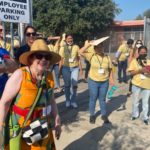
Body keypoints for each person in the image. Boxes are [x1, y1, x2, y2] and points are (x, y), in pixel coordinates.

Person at [0, 39, 61, 149]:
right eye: (39, 56)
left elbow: (52, 100)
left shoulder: (49, 76)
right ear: (31, 58)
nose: (43, 59)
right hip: (21, 129)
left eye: (47, 57)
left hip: (41, 127)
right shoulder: (20, 75)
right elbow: (4, 102)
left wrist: (57, 121)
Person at [79, 36, 114, 124]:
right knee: (93, 98)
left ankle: (104, 115)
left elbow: (110, 69)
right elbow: (80, 51)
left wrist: (111, 79)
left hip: (104, 82)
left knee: (102, 99)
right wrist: (89, 44)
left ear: (103, 47)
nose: (99, 49)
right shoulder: (91, 56)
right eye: (97, 47)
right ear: (94, 49)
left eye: (100, 47)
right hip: (93, 81)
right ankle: (92, 115)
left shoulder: (107, 57)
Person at [128, 45, 150, 125]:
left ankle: (145, 117)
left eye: (144, 52)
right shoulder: (134, 61)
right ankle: (135, 114)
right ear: (138, 52)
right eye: (141, 52)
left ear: (146, 53)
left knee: (145, 102)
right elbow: (131, 73)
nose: (143, 53)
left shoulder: (149, 61)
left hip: (147, 85)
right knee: (135, 101)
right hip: (136, 84)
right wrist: (140, 70)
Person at [59, 34, 83, 108]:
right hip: (65, 68)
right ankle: (67, 100)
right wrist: (59, 71)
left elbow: (78, 59)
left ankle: (73, 101)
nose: (70, 40)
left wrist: (81, 69)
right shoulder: (63, 48)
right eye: (68, 39)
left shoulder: (76, 47)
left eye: (71, 38)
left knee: (74, 85)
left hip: (75, 68)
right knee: (67, 85)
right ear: (66, 40)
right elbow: (61, 60)